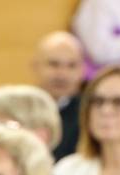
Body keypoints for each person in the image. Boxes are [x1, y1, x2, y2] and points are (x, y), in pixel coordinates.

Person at [32, 31, 86, 160]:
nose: (62, 74)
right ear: (35, 66)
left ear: (82, 70)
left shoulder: (89, 113)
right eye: (54, 64)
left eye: (71, 66)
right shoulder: (20, 108)